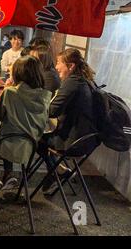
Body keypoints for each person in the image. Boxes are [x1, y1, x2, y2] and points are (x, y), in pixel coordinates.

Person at [39, 48, 101, 194]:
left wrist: (36, 104)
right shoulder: (85, 81)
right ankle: (59, 171)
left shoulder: (72, 82)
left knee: (34, 139)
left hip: (73, 142)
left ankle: (56, 173)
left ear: (71, 66)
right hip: (87, 141)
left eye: (59, 62)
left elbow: (53, 111)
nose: (56, 67)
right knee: (42, 137)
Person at [0, 56, 51, 193]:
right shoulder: (45, 96)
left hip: (5, 144)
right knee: (11, 130)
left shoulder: (10, 93)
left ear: (18, 73)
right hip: (29, 147)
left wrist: (5, 90)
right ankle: (10, 174)